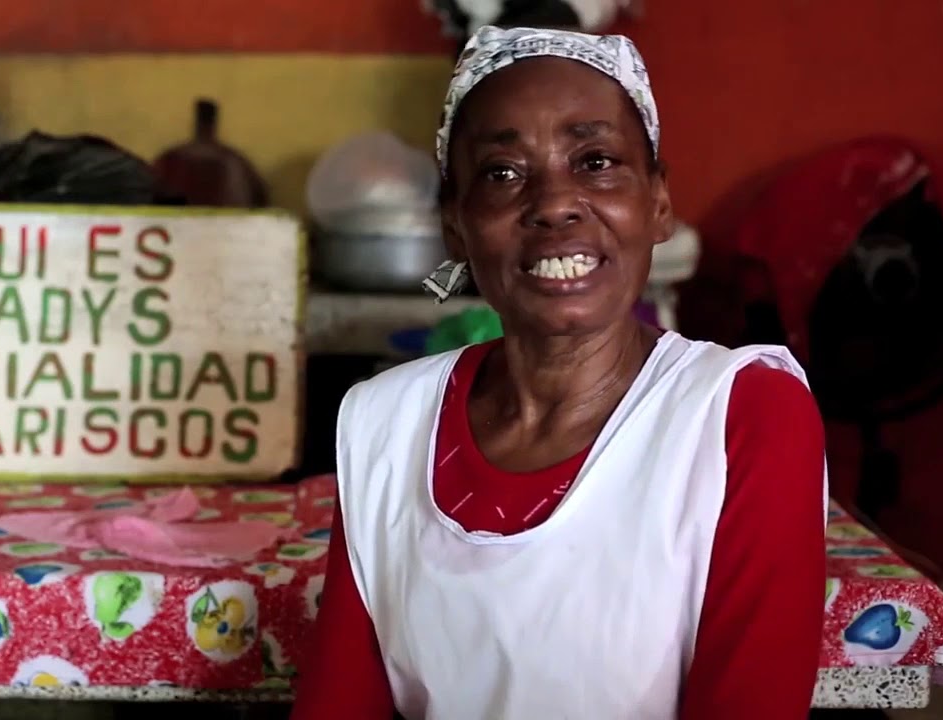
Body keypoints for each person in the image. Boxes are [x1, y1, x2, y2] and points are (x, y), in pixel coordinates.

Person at [291, 26, 827, 720]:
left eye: (597, 160)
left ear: (658, 202)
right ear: (455, 224)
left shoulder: (742, 415)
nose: (552, 203)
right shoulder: (383, 425)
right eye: (503, 173)